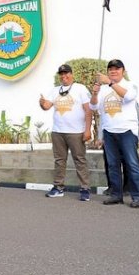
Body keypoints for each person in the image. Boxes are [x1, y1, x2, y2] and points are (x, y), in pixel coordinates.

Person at [90, 59, 139, 208]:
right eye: (110, 69)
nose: (113, 71)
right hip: (109, 131)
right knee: (113, 165)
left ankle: (137, 196)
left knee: (132, 164)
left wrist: (109, 82)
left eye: (117, 69)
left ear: (123, 71)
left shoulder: (130, 85)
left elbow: (128, 97)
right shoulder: (103, 89)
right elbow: (94, 107)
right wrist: (95, 93)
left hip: (127, 131)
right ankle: (116, 195)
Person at [39, 64, 93, 201]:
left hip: (76, 132)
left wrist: (88, 130)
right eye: (61, 74)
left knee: (80, 160)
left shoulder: (80, 89)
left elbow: (88, 110)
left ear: (72, 74)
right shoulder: (55, 90)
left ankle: (85, 188)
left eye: (66, 73)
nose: (64, 76)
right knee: (59, 161)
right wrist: (42, 102)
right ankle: (58, 187)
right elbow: (47, 106)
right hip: (58, 131)